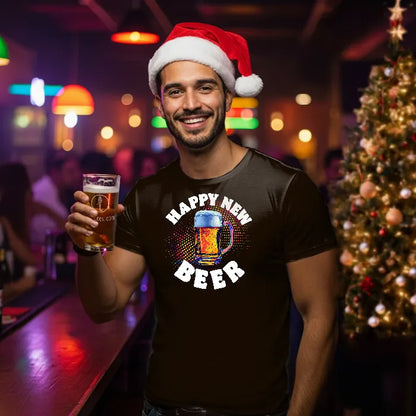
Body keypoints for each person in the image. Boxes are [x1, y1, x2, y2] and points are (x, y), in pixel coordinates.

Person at [66, 22, 339, 416]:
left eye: (204, 87)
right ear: (160, 106)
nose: (190, 103)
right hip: (163, 409)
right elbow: (104, 306)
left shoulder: (286, 190)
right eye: (175, 91)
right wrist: (87, 249)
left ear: (228, 96)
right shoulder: (147, 196)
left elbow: (321, 316)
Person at [30, 149, 81, 247]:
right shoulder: (42, 192)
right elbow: (45, 234)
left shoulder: (59, 190)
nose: (76, 175)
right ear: (55, 172)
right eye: (70, 171)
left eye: (76, 170)